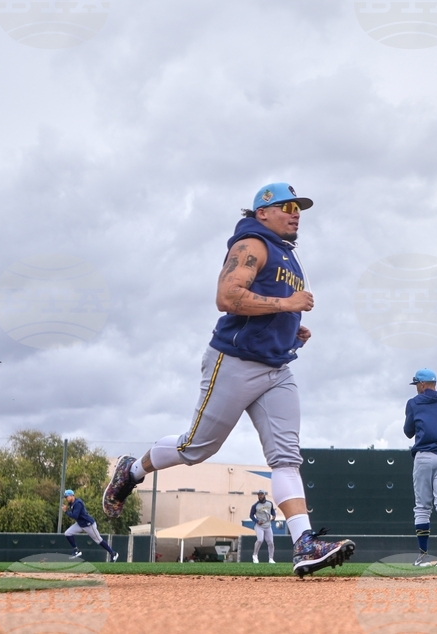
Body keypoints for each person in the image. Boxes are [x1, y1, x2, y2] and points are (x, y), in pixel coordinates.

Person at [101, 182, 355, 577]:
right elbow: (227, 296)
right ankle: (132, 470)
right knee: (195, 448)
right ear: (262, 213)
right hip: (235, 361)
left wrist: (291, 327)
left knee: (286, 458)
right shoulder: (252, 244)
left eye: (299, 207)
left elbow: (264, 305)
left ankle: (304, 543)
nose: (296, 212)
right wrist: (287, 305)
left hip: (277, 368)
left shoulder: (287, 256)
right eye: (286, 206)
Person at [403, 368, 437, 567]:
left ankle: (423, 555)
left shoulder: (413, 403)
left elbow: (408, 432)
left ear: (423, 384)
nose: (416, 387)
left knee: (422, 507)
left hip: (424, 456)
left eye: (417, 384)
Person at [62, 489, 119, 562]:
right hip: (80, 524)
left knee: (98, 540)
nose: (66, 498)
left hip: (88, 524)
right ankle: (76, 551)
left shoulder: (78, 503)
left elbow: (75, 516)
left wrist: (66, 511)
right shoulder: (71, 503)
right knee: (68, 533)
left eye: (66, 497)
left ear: (72, 496)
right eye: (65, 497)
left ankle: (113, 553)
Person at [250, 489, 276, 563]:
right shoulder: (255, 505)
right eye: (259, 495)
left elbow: (272, 511)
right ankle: (255, 555)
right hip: (259, 526)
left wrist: (274, 516)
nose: (260, 496)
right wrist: (257, 521)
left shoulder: (269, 503)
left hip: (268, 525)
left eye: (261, 494)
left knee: (270, 542)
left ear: (264, 495)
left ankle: (271, 558)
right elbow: (251, 515)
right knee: (260, 540)